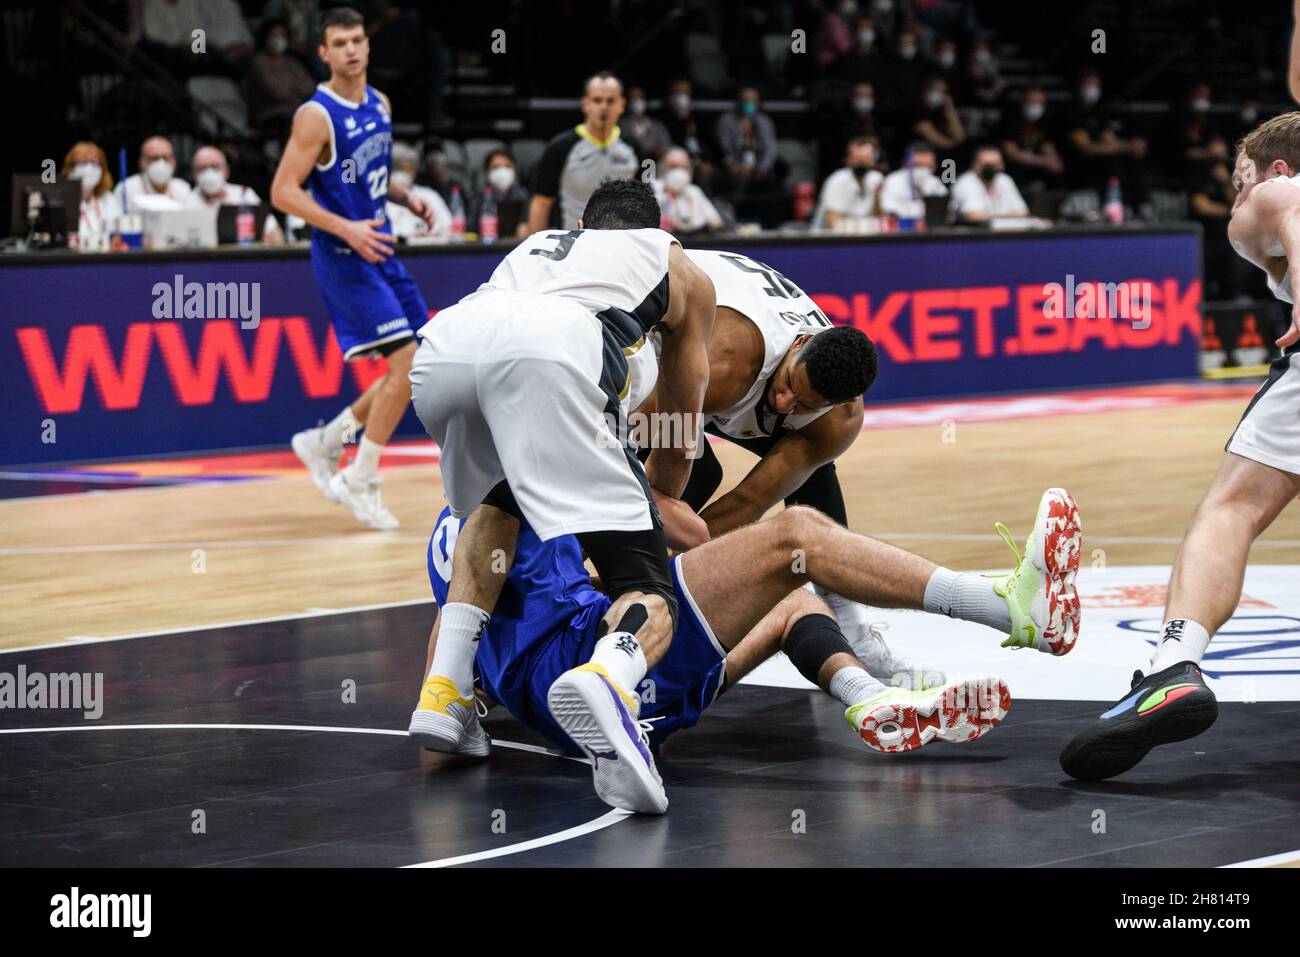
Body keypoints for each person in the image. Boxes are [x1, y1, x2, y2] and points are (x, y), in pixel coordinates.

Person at [413, 482, 1081, 813]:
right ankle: (1014, 609)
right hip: (593, 663)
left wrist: (461, 721)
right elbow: (689, 527)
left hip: (576, 709)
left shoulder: (449, 538)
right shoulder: (538, 469)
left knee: (789, 597)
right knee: (793, 539)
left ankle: (869, 694)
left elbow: (455, 639)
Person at [407, 180, 716, 814]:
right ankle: (610, 677)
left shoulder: (539, 244)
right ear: (661, 227)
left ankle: (444, 690)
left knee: (496, 504)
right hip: (558, 351)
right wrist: (655, 501)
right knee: (649, 584)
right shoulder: (678, 263)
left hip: (444, 350)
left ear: (584, 222)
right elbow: (683, 419)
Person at [1060, 112, 1300, 781]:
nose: (1236, 198)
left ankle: (1171, 668)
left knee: (1232, 510)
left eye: (1240, 181)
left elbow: (1290, 202)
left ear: (1277, 168)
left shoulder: (1276, 192)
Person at [271, 6, 437, 530]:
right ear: (323, 52)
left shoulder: (380, 104)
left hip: (381, 245)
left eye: (358, 40)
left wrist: (403, 196)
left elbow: (368, 174)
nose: (351, 49)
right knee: (405, 362)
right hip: (344, 255)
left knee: (420, 363)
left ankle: (326, 441)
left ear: (368, 45)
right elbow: (282, 191)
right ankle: (360, 475)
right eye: (339, 43)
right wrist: (346, 228)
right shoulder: (315, 115)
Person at [527, 72, 639, 232]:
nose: (604, 107)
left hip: (621, 245)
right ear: (585, 104)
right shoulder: (561, 147)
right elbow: (541, 203)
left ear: (622, 105)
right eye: (597, 100)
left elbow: (644, 203)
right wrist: (534, 251)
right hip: (573, 245)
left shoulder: (633, 147)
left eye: (610, 101)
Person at [184, 145, 285, 243]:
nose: (209, 173)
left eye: (215, 167)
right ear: (194, 174)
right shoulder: (186, 201)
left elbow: (276, 233)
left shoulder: (244, 194)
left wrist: (273, 238)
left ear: (226, 171)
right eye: (202, 169)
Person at [715, 87, 784, 226]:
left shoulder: (764, 121)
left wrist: (763, 167)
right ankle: (733, 214)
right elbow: (723, 146)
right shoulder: (727, 120)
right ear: (738, 102)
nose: (749, 103)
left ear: (758, 102)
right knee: (740, 176)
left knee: (774, 182)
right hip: (735, 166)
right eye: (745, 100)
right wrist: (732, 163)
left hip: (758, 166)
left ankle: (770, 223)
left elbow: (771, 148)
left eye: (752, 100)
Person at [243, 17, 317, 138]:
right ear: (265, 37)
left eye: (282, 34)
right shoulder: (259, 62)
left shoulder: (291, 62)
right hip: (270, 115)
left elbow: (310, 87)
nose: (278, 39)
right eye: (274, 34)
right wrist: (296, 87)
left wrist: (289, 87)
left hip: (298, 109)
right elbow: (277, 92)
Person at [999, 86, 1065, 196]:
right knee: (1016, 170)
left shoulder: (1045, 121)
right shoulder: (1011, 119)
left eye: (1039, 102)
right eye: (1031, 101)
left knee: (1057, 170)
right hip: (1016, 165)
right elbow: (1013, 154)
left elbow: (1048, 147)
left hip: (1036, 164)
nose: (1035, 106)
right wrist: (1043, 161)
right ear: (1023, 102)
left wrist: (1054, 160)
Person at [385, 141, 452, 241]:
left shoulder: (430, 196)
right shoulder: (377, 198)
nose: (402, 175)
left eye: (407, 170)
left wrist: (429, 235)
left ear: (414, 172)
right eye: (398, 169)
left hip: (426, 251)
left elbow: (448, 228)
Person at [62, 141, 122, 252]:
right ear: (70, 169)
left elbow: (118, 235)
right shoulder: (61, 201)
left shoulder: (109, 199)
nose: (89, 168)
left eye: (95, 163)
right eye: (83, 163)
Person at [814, 135, 884, 229]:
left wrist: (877, 198)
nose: (862, 162)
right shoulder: (836, 180)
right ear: (849, 159)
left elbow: (881, 221)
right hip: (828, 239)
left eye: (866, 158)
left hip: (865, 236)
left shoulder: (877, 178)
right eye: (858, 158)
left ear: (873, 160)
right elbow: (832, 223)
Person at [948, 144, 1028, 223]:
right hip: (974, 233)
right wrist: (1010, 216)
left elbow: (1023, 212)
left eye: (995, 165)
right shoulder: (965, 183)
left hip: (1004, 232)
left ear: (1002, 165)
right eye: (986, 165)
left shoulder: (1005, 180)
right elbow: (973, 216)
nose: (990, 169)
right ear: (975, 164)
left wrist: (989, 216)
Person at [652, 147, 725, 234]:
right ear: (663, 168)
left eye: (684, 168)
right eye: (673, 167)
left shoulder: (694, 191)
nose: (678, 172)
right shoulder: (653, 189)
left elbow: (716, 221)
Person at [113, 136, 192, 211]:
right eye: (154, 158)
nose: (161, 163)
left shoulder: (182, 188)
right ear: (141, 162)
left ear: (174, 161)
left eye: (166, 158)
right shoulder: (126, 188)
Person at [468, 148, 531, 241]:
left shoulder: (524, 196)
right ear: (487, 172)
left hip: (517, 246)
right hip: (486, 248)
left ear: (514, 170)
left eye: (507, 166)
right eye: (496, 167)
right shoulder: (479, 198)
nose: (502, 171)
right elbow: (470, 231)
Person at [878, 143, 948, 218]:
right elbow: (887, 210)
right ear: (907, 163)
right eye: (918, 165)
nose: (923, 171)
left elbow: (944, 209)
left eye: (928, 166)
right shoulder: (892, 181)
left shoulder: (934, 182)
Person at [622, 86, 671, 162]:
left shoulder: (657, 125)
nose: (637, 101)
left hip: (655, 166)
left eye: (640, 97)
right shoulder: (621, 125)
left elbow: (666, 146)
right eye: (633, 98)